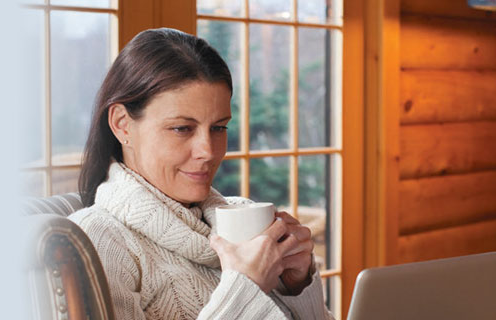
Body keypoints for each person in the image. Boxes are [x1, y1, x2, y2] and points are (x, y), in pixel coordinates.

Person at [70, 28, 334, 320]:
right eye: (182, 128)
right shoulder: (97, 241)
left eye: (219, 128)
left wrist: (296, 286)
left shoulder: (245, 218)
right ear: (122, 124)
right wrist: (246, 288)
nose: (208, 151)